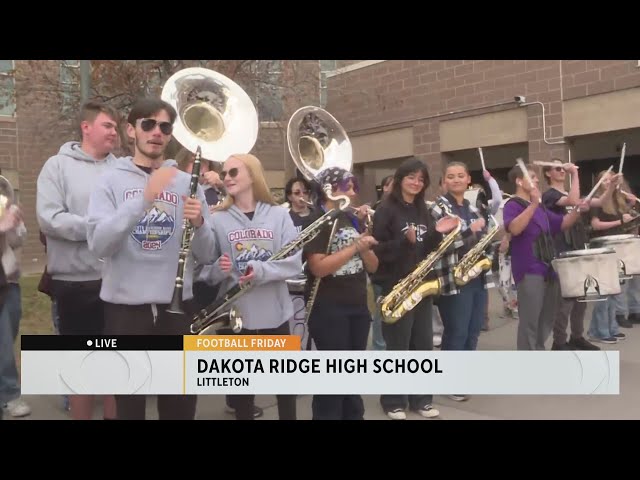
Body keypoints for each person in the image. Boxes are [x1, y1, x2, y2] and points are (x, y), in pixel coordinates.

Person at [86, 97, 217, 420]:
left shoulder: (189, 183)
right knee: (130, 407)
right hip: (126, 311)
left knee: (180, 405)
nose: (156, 132)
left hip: (178, 308)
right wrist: (145, 199)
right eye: (148, 124)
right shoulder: (109, 180)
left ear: (170, 135)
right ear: (131, 131)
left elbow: (209, 254)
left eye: (164, 126)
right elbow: (99, 244)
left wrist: (199, 224)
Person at [198, 153, 300, 421]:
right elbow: (205, 270)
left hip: (275, 312)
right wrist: (217, 271)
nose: (226, 178)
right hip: (235, 316)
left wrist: (262, 270)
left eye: (233, 172)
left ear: (252, 175)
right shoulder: (217, 218)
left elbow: (295, 263)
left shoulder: (279, 215)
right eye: (225, 172)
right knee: (242, 391)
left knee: (284, 387)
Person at [36, 100, 120, 420]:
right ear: (86, 127)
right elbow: (50, 219)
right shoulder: (56, 166)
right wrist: (98, 228)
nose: (114, 131)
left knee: (118, 370)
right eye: (107, 125)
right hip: (75, 283)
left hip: (117, 282)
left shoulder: (121, 168)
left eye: (115, 126)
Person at [373, 157, 459, 419]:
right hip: (396, 285)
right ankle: (392, 401)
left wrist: (438, 232)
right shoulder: (385, 209)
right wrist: (403, 240)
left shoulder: (423, 209)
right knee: (398, 345)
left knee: (422, 343)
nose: (416, 183)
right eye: (411, 177)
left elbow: (427, 247)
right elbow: (377, 249)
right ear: (401, 178)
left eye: (421, 179)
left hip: (421, 284)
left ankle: (421, 400)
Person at [301, 166, 377, 420]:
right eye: (348, 185)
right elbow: (319, 267)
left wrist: (364, 244)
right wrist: (356, 246)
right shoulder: (317, 220)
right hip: (328, 309)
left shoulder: (349, 218)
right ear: (330, 189)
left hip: (356, 306)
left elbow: (373, 266)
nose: (354, 191)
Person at [502, 162, 586, 350]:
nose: (537, 180)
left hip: (549, 269)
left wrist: (579, 209)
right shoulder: (513, 204)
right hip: (529, 270)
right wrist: (533, 204)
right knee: (530, 321)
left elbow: (563, 223)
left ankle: (538, 354)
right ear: (518, 181)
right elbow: (514, 228)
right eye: (531, 177)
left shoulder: (541, 209)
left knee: (547, 319)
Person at [429, 162, 494, 402]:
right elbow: (440, 245)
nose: (456, 180)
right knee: (456, 332)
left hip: (477, 278)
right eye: (450, 177)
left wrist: (488, 247)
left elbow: (486, 238)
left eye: (460, 176)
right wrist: (469, 231)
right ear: (444, 181)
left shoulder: (474, 207)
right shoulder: (438, 208)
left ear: (468, 179)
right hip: (453, 279)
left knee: (473, 330)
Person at [540, 159, 599, 350]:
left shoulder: (568, 192)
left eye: (563, 168)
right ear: (548, 173)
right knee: (565, 302)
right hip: (562, 251)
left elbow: (597, 201)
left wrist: (611, 187)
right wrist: (575, 173)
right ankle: (559, 342)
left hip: (578, 248)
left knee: (581, 299)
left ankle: (577, 336)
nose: (562, 171)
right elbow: (573, 201)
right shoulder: (549, 195)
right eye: (558, 168)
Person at [587, 170, 636, 343]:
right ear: (598, 183)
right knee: (605, 291)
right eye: (604, 180)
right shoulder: (596, 202)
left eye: (610, 180)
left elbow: (630, 213)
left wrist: (629, 201)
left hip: (617, 247)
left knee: (615, 290)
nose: (608, 183)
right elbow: (596, 225)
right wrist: (620, 221)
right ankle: (599, 330)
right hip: (602, 247)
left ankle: (610, 328)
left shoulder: (616, 200)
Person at [0, 185, 30, 418]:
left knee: (8, 338)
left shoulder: (4, 204)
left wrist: (15, 224)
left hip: (9, 282)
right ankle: (9, 395)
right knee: (3, 345)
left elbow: (18, 241)